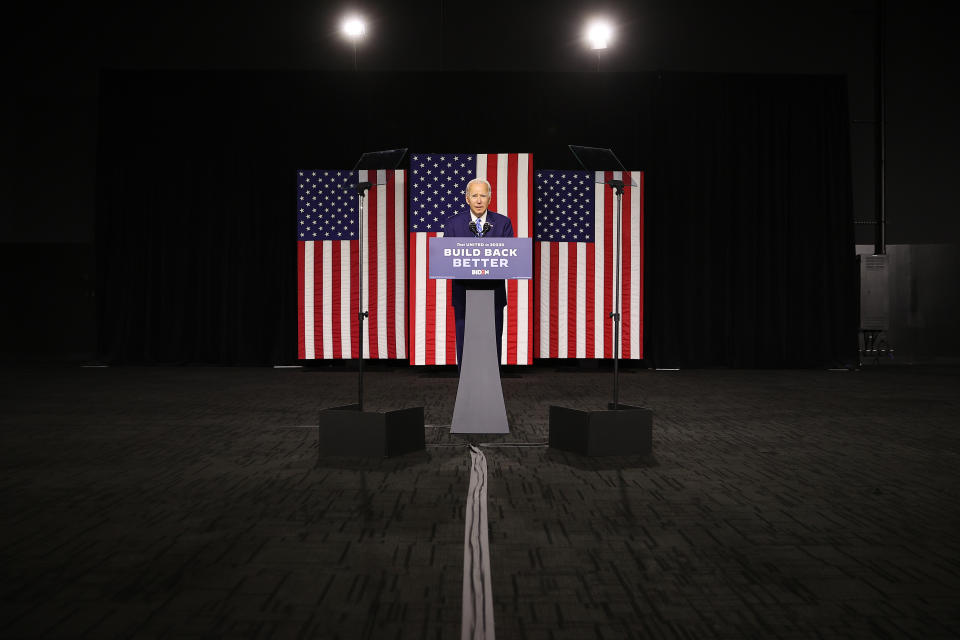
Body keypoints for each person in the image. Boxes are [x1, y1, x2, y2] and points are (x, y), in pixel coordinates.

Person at [441, 178, 515, 368]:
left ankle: (491, 391)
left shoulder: (503, 223)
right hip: (464, 296)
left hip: (493, 296)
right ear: (467, 199)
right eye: (474, 196)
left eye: (483, 195)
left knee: (492, 345)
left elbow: (510, 260)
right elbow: (446, 259)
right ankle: (466, 392)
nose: (479, 200)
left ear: (490, 198)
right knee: (465, 346)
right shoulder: (453, 224)